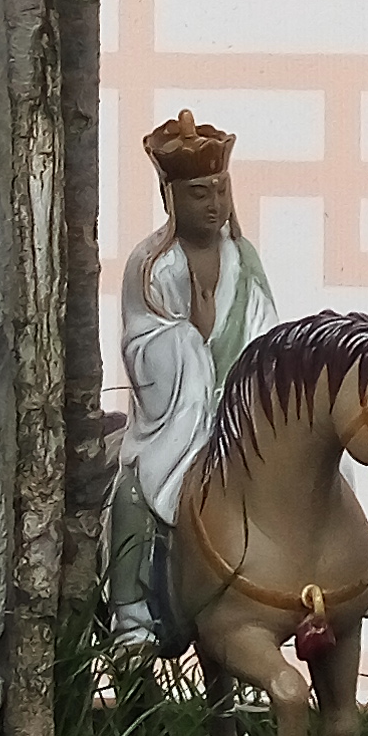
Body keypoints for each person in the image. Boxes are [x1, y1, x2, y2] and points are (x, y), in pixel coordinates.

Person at [106, 110, 280, 652]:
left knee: (324, 449)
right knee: (135, 487)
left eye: (221, 191)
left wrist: (253, 375)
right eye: (199, 194)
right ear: (171, 197)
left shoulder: (242, 258)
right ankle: (131, 611)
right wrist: (190, 339)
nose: (214, 205)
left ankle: (335, 579)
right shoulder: (151, 264)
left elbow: (266, 327)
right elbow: (142, 344)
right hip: (179, 415)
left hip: (242, 404)